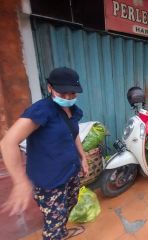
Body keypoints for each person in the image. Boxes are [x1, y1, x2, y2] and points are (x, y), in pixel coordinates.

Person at [0, 67, 89, 240]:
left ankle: (62, 232)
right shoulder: (42, 110)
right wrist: (19, 182)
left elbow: (74, 133)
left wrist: (83, 157)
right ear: (49, 88)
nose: (68, 98)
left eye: (72, 94)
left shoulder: (73, 111)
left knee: (69, 204)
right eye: (63, 94)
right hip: (49, 180)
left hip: (70, 172)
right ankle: (56, 234)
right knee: (53, 224)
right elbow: (7, 142)